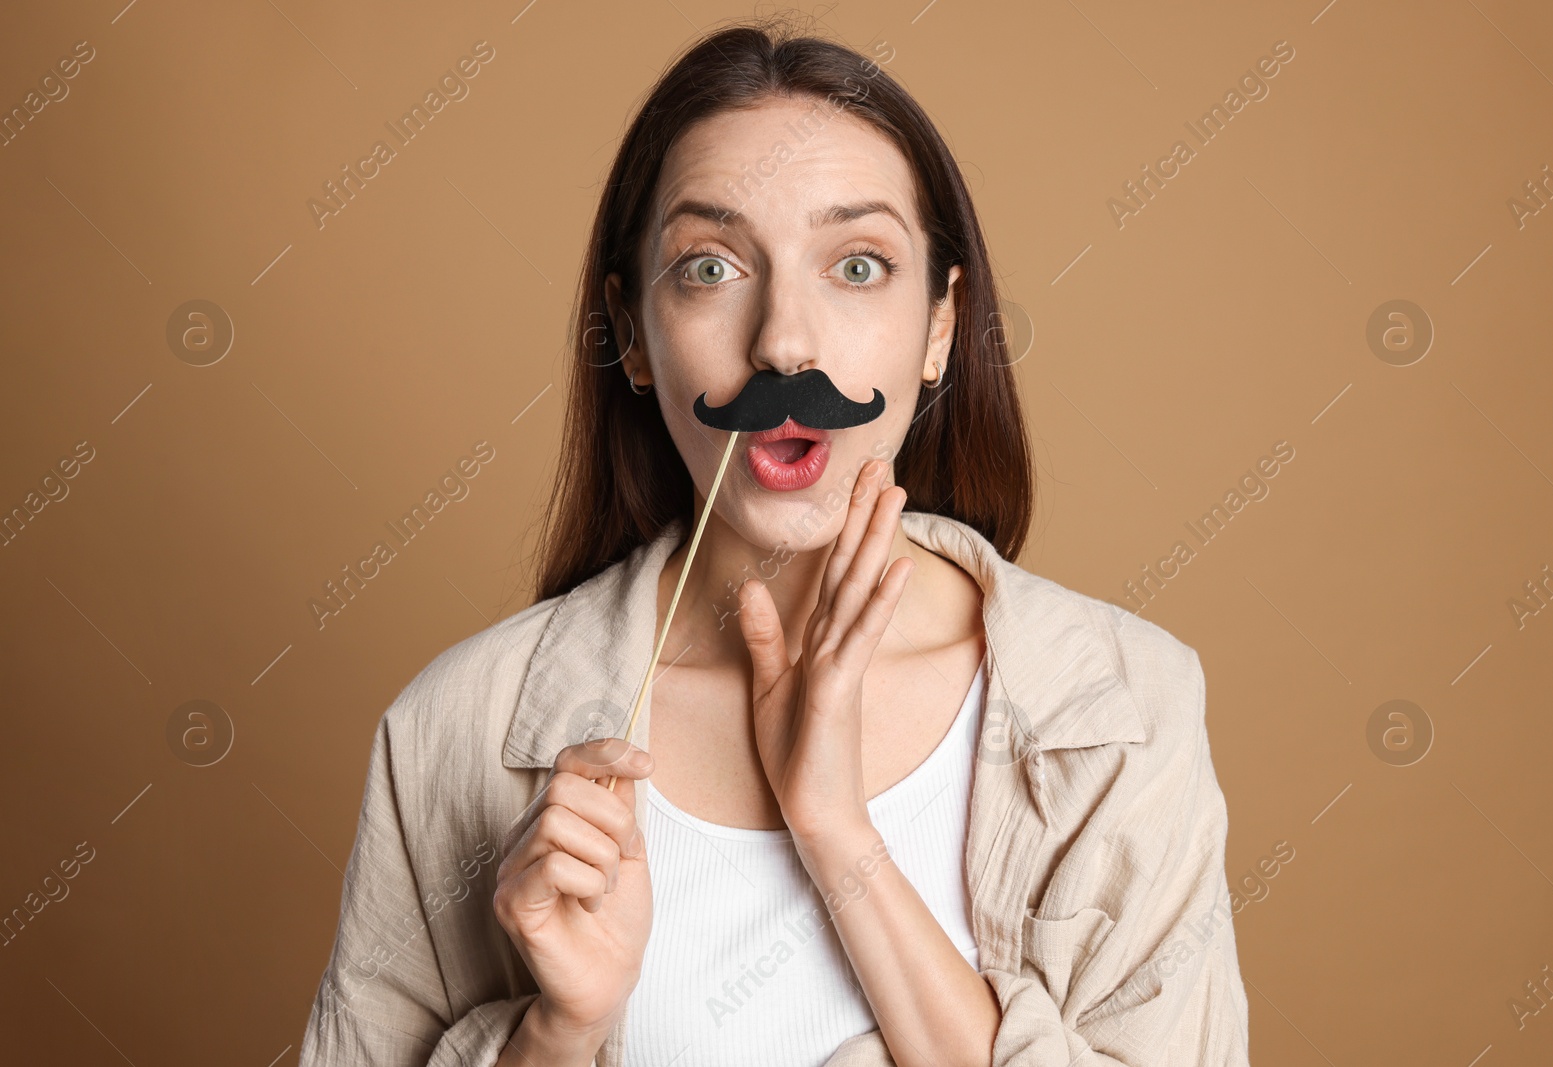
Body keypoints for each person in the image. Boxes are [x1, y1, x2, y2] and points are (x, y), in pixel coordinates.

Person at [298, 17, 1250, 1067]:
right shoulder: (450, 734)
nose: (783, 341)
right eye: (708, 267)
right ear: (632, 337)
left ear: (940, 325)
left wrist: (839, 836)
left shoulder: (1124, 711)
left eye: (856, 264)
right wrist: (553, 1034)